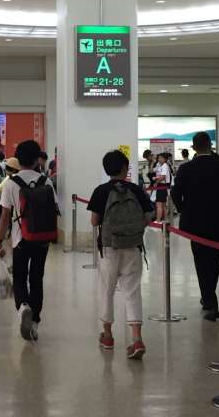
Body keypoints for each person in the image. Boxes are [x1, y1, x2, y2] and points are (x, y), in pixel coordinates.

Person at [87, 150, 153, 359]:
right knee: (132, 291)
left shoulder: (101, 191)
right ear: (125, 168)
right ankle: (137, 339)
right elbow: (148, 216)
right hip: (133, 247)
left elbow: (94, 221)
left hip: (109, 248)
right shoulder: (135, 189)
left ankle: (107, 336)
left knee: (106, 290)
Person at [0, 140, 57, 341]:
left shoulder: (11, 183)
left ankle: (23, 306)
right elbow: (54, 210)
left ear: (18, 159)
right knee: (37, 277)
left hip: (20, 238)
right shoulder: (46, 181)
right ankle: (35, 323)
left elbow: (5, 216)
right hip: (42, 238)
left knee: (20, 275)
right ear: (37, 159)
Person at [171, 132, 219, 321]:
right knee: (215, 261)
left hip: (195, 223)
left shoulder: (186, 169)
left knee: (201, 262)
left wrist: (184, 210)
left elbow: (176, 193)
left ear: (194, 147)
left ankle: (209, 300)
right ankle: (208, 297)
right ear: (210, 145)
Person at [153, 153, 171, 221]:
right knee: (163, 205)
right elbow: (160, 174)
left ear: (165, 159)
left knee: (159, 204)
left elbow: (163, 177)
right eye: (159, 158)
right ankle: (165, 219)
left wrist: (156, 182)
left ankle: (158, 220)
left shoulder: (164, 166)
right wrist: (156, 178)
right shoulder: (161, 165)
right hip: (163, 186)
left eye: (161, 158)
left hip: (162, 186)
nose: (159, 159)